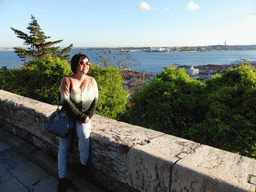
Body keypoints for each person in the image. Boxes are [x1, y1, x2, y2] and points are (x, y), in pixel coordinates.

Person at [58, 54, 98, 191]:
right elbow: (66, 102)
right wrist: (81, 117)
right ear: (75, 64)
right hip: (68, 117)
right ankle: (62, 177)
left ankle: (83, 166)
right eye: (82, 62)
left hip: (85, 117)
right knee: (64, 147)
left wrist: (88, 116)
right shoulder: (67, 80)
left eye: (88, 63)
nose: (86, 65)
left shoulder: (92, 81)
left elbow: (95, 101)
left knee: (84, 136)